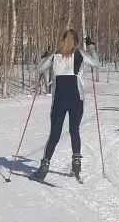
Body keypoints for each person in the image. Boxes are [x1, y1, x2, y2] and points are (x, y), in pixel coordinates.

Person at [34, 29, 98, 179]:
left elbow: (40, 68)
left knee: (54, 134)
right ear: (76, 41)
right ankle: (76, 165)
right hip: (76, 99)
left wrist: (44, 57)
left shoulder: (54, 55)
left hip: (59, 100)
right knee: (74, 130)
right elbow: (95, 63)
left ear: (63, 40)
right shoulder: (81, 53)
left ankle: (44, 167)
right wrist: (91, 47)